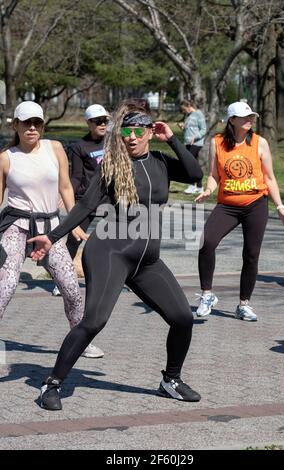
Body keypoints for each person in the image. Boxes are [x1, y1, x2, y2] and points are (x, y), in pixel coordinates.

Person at [28, 101, 203, 410]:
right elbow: (84, 207)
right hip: (110, 252)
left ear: (150, 132)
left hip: (146, 261)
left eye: (138, 131)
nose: (132, 137)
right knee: (94, 321)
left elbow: (194, 173)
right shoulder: (112, 166)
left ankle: (170, 380)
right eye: (126, 132)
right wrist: (53, 237)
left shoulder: (161, 162)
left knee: (183, 318)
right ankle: (50, 385)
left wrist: (173, 139)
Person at [0, 101, 103, 358]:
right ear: (16, 125)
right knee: (6, 284)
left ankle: (81, 341)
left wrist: (76, 222)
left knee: (71, 288)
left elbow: (66, 188)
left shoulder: (54, 148)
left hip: (51, 228)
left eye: (37, 123)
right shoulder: (6, 158)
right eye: (26, 123)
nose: (32, 128)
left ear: (43, 126)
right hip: (17, 225)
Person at [195, 101, 284, 321]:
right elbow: (213, 175)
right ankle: (207, 295)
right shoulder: (217, 142)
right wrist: (209, 190)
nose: (250, 120)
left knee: (251, 254)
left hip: (255, 204)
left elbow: (269, 177)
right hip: (227, 205)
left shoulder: (260, 143)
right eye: (244, 117)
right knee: (206, 242)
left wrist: (280, 206)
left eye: (251, 117)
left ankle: (244, 304)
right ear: (232, 120)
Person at [52, 104, 110, 297]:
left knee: (113, 239)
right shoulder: (79, 147)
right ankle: (63, 279)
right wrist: (66, 195)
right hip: (86, 199)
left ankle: (113, 277)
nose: (103, 124)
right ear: (88, 123)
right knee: (73, 240)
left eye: (105, 120)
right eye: (98, 121)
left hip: (110, 199)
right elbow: (76, 176)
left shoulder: (114, 141)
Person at [179, 99, 206, 195]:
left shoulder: (199, 114)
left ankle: (191, 185)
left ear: (189, 106)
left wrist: (195, 137)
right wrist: (183, 127)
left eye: (184, 109)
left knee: (189, 164)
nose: (184, 111)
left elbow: (203, 130)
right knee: (194, 164)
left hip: (196, 143)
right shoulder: (189, 116)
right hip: (188, 143)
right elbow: (190, 129)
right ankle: (199, 187)